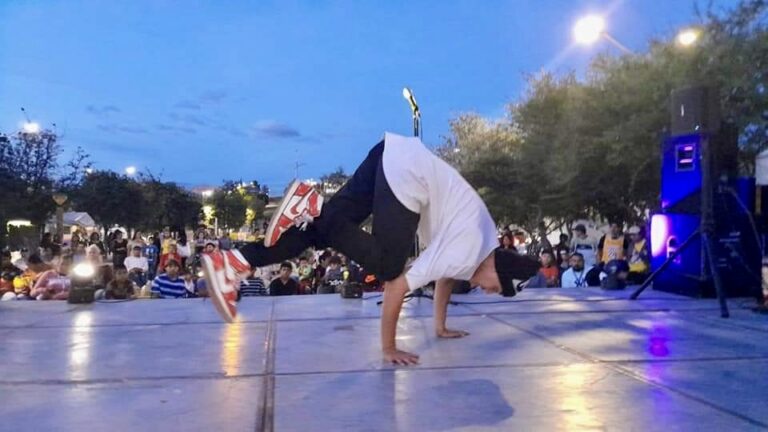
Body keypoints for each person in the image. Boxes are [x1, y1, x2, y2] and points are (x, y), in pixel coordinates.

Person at [201, 133, 539, 365]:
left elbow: (447, 278)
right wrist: (389, 348)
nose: (489, 292)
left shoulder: (482, 244)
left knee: (315, 234)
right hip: (406, 174)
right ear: (499, 270)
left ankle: (235, 260)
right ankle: (315, 206)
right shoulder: (467, 249)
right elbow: (396, 286)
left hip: (390, 155)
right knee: (390, 266)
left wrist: (439, 327)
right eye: (498, 288)